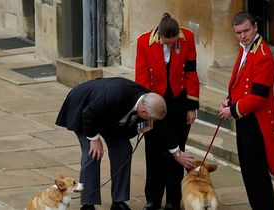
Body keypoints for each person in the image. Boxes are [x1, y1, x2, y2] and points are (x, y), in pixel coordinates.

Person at [55, 77, 167, 210]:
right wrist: (94, 139)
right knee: (92, 154)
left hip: (109, 117)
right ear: (143, 111)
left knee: (123, 149)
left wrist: (176, 151)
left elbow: (156, 127)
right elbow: (88, 114)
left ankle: (119, 201)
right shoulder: (116, 94)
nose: (152, 121)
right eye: (151, 118)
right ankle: (88, 204)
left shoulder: (149, 100)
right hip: (83, 108)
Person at [135, 12, 199, 210]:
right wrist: (146, 108)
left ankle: (173, 200)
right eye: (166, 42)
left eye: (173, 42)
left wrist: (191, 106)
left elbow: (191, 72)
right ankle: (153, 199)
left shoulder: (187, 38)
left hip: (178, 101)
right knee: (153, 151)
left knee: (176, 150)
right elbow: (141, 77)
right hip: (153, 101)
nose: (170, 45)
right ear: (160, 35)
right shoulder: (144, 41)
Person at [218, 12, 274, 210]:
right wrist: (230, 99)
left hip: (257, 122)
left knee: (257, 175)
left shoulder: (263, 56)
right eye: (238, 32)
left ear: (255, 27)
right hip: (245, 118)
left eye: (246, 31)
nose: (242, 36)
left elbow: (258, 96)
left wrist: (232, 110)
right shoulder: (246, 49)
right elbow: (240, 82)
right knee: (248, 172)